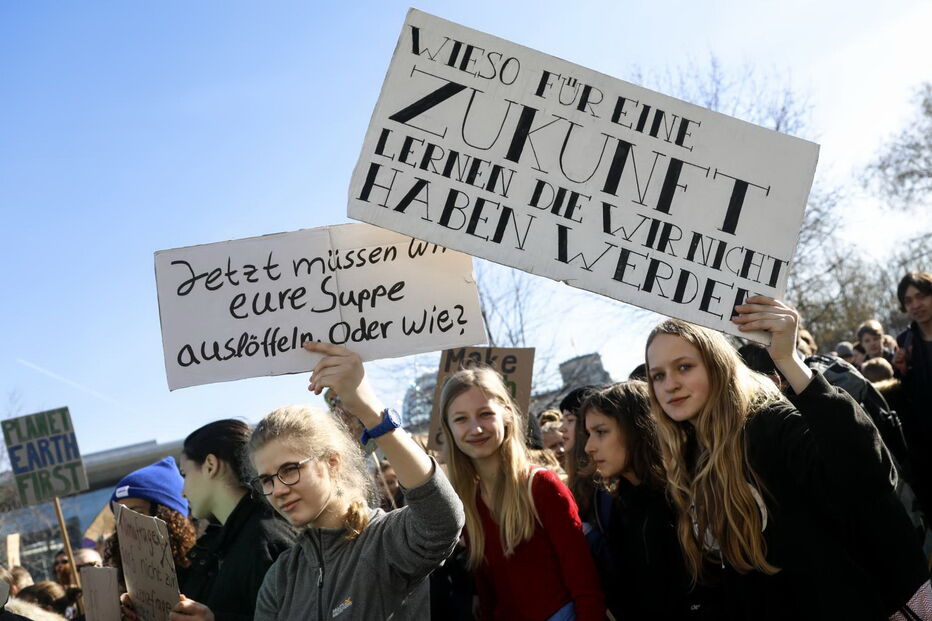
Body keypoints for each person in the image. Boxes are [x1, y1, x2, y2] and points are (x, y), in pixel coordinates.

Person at [646, 296, 930, 620]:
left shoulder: (768, 424)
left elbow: (866, 473)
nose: (670, 385)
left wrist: (790, 361)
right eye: (658, 375)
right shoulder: (685, 460)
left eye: (684, 367)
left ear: (716, 365)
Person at [250, 341, 464, 620]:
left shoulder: (386, 541)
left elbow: (442, 521)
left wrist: (370, 410)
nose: (278, 489)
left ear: (332, 462)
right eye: (266, 480)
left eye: (290, 469)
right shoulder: (279, 579)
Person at [439, 367, 605, 621]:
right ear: (448, 428)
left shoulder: (541, 485)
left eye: (485, 414)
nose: (476, 428)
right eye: (461, 419)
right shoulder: (467, 502)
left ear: (506, 415)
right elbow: (488, 593)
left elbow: (584, 582)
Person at [581, 381, 719, 620]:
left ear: (636, 428)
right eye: (588, 434)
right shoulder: (619, 507)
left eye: (601, 432)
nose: (588, 447)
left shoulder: (687, 496)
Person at [167, 419, 297, 621]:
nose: (183, 492)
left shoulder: (263, 539)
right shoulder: (221, 544)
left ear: (210, 466)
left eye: (185, 474)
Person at [105, 457, 197, 589]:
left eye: (136, 513)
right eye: (119, 518)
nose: (126, 525)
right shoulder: (125, 585)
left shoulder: (210, 571)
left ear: (168, 517)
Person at [894, 271, 932, 527]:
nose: (916, 305)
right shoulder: (905, 342)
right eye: (908, 301)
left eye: (921, 296)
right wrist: (901, 372)